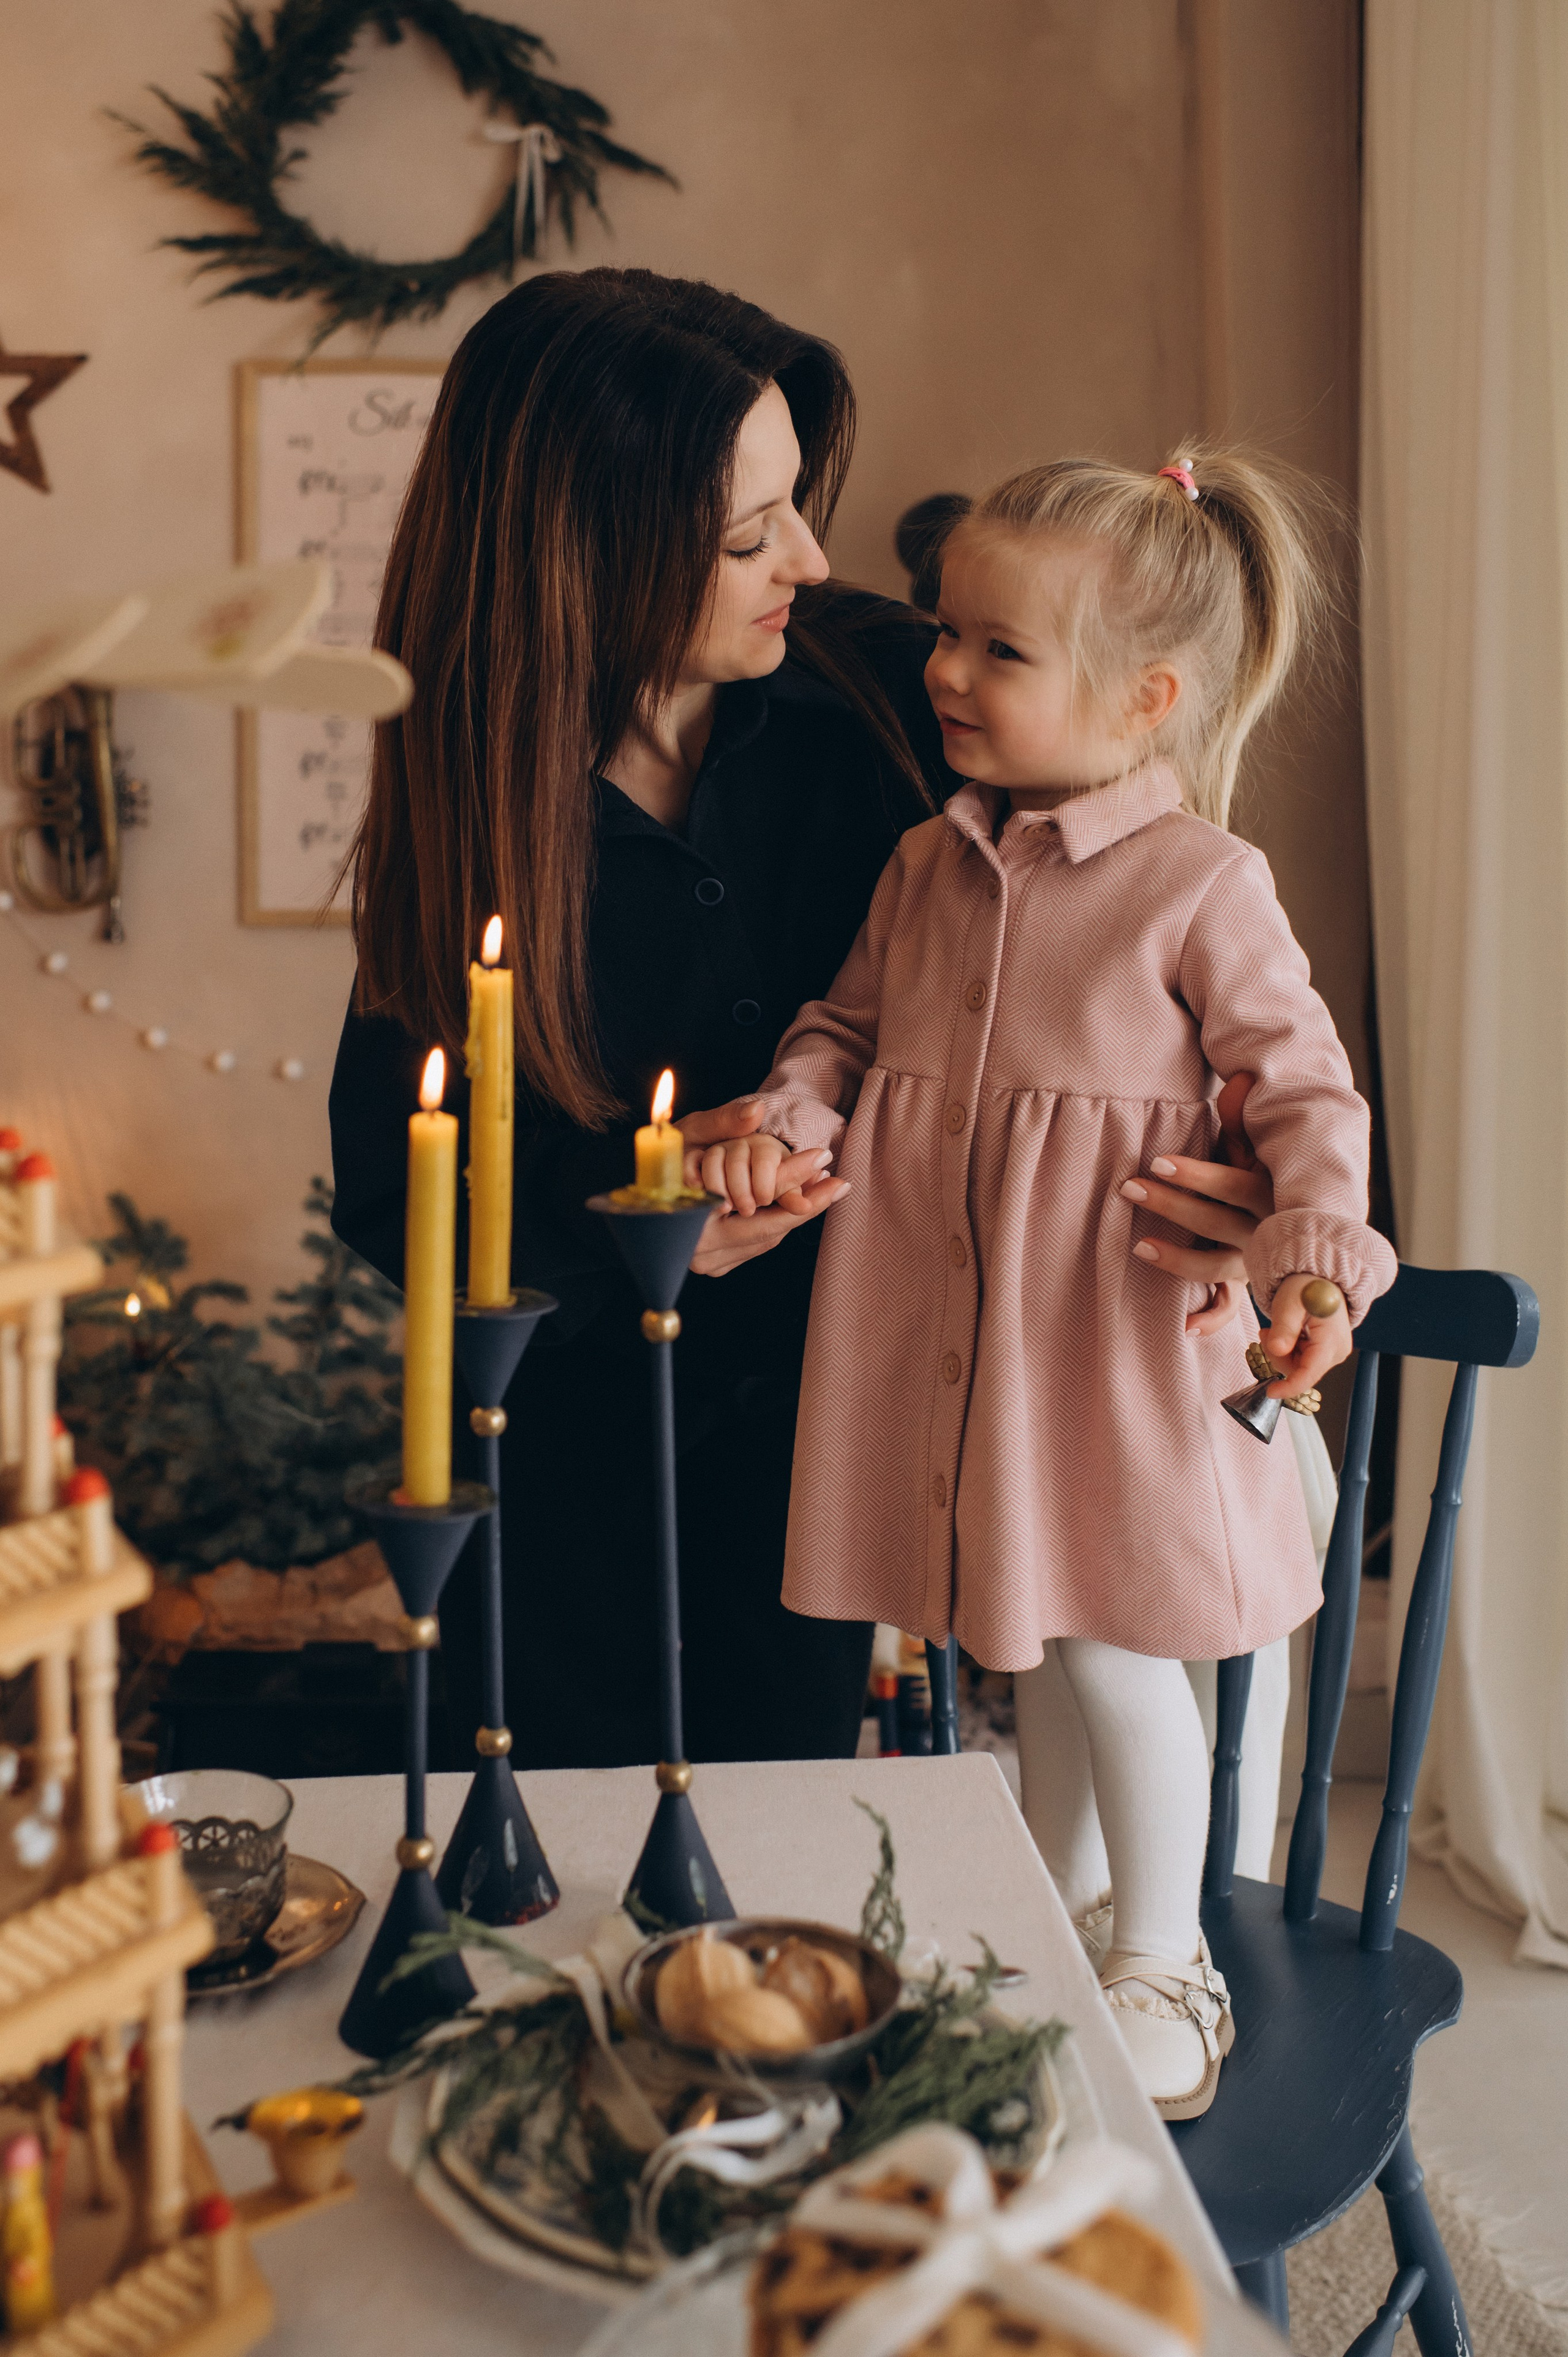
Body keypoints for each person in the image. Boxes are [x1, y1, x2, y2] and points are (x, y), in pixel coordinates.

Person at [327, 268, 1291, 1776]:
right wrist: (638, 1228)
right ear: (588, 553)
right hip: (574, 1458)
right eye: (744, 532)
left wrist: (1230, 1172)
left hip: (846, 1418)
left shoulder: (907, 690)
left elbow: (1158, 936)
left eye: (794, 503)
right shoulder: (469, 810)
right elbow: (396, 1190)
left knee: (778, 1865)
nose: (810, 555)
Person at [695, 449, 1395, 2117]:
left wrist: (1310, 1242)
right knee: (1033, 1638)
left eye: (996, 650)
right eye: (947, 634)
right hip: (967, 1336)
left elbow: (1306, 1098)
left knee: (1107, 1649)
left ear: (1146, 696)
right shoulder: (925, 867)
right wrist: (796, 1109)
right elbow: (845, 1030)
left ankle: (1173, 1954)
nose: (941, 671)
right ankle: (1067, 1914)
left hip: (1115, 1347)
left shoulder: (1202, 886)